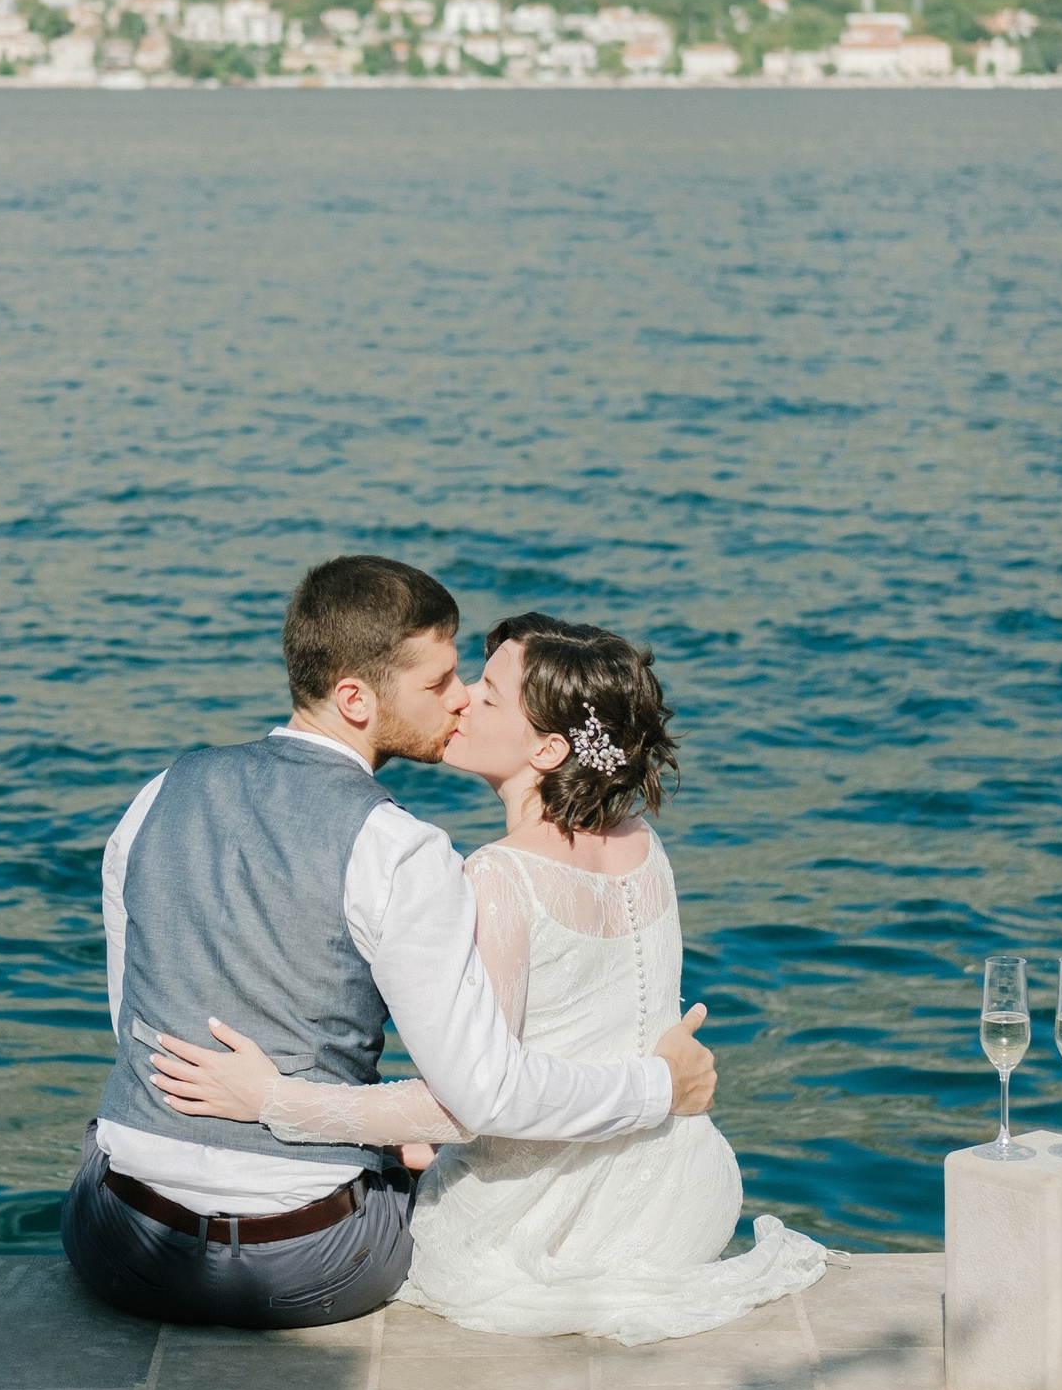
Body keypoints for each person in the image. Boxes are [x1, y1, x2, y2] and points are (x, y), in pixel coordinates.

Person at [59, 558, 720, 1330]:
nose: (461, 696)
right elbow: (478, 1098)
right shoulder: (405, 849)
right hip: (309, 1264)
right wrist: (659, 1087)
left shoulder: (158, 791)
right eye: (441, 682)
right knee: (417, 1169)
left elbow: (135, 1011)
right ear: (355, 699)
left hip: (119, 1245)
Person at [149, 611, 826, 1344]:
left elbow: (469, 1105)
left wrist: (272, 1100)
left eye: (489, 694)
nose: (462, 698)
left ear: (549, 748)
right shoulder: (641, 843)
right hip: (675, 1194)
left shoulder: (501, 875)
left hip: (546, 1222)